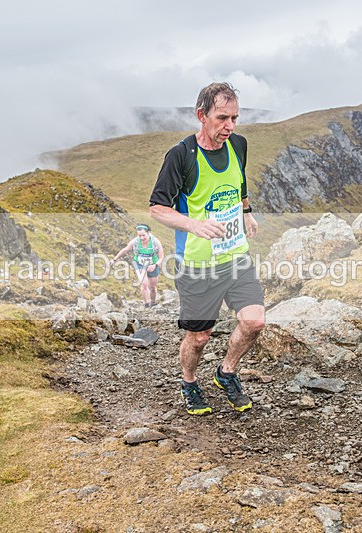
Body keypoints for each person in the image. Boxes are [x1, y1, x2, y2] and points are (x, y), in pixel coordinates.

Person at [149, 82, 265, 415]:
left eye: (234, 118)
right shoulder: (181, 156)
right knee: (199, 338)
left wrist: (247, 213)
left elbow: (238, 182)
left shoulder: (238, 145)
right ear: (202, 115)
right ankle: (188, 381)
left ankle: (226, 372)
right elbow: (157, 208)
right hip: (196, 265)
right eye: (222, 117)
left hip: (235, 257)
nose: (229, 126)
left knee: (254, 322)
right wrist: (195, 225)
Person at [109, 224, 164, 308]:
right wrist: (114, 259)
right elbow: (125, 250)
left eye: (143, 235)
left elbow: (161, 257)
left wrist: (155, 265)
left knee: (152, 287)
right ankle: (147, 304)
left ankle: (153, 302)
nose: (141, 238)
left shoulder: (155, 242)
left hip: (153, 265)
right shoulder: (135, 241)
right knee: (144, 284)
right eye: (139, 235)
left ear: (148, 233)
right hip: (139, 264)